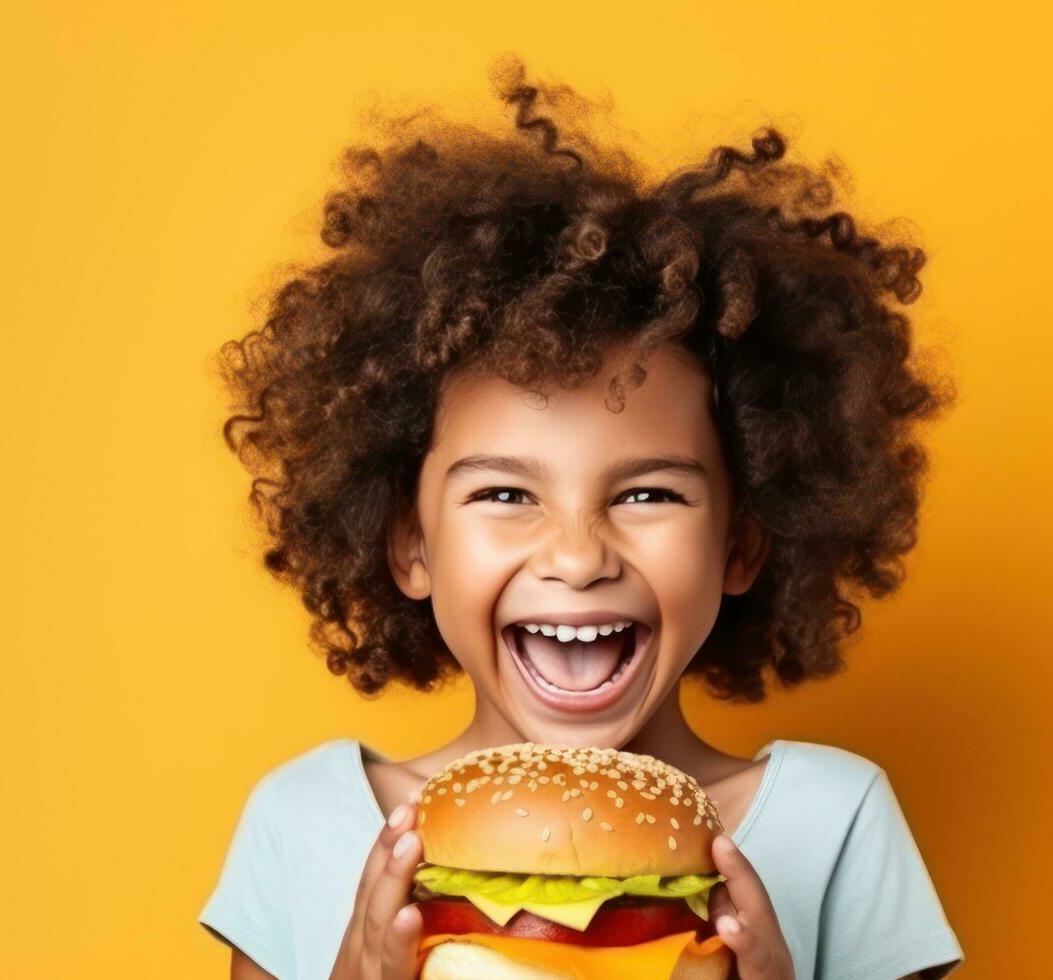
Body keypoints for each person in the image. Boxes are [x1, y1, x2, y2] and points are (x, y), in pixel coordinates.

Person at [199, 57, 964, 980]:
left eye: (647, 494)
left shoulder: (835, 819)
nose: (575, 554)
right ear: (409, 545)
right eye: (504, 494)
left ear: (740, 543)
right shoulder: (306, 821)